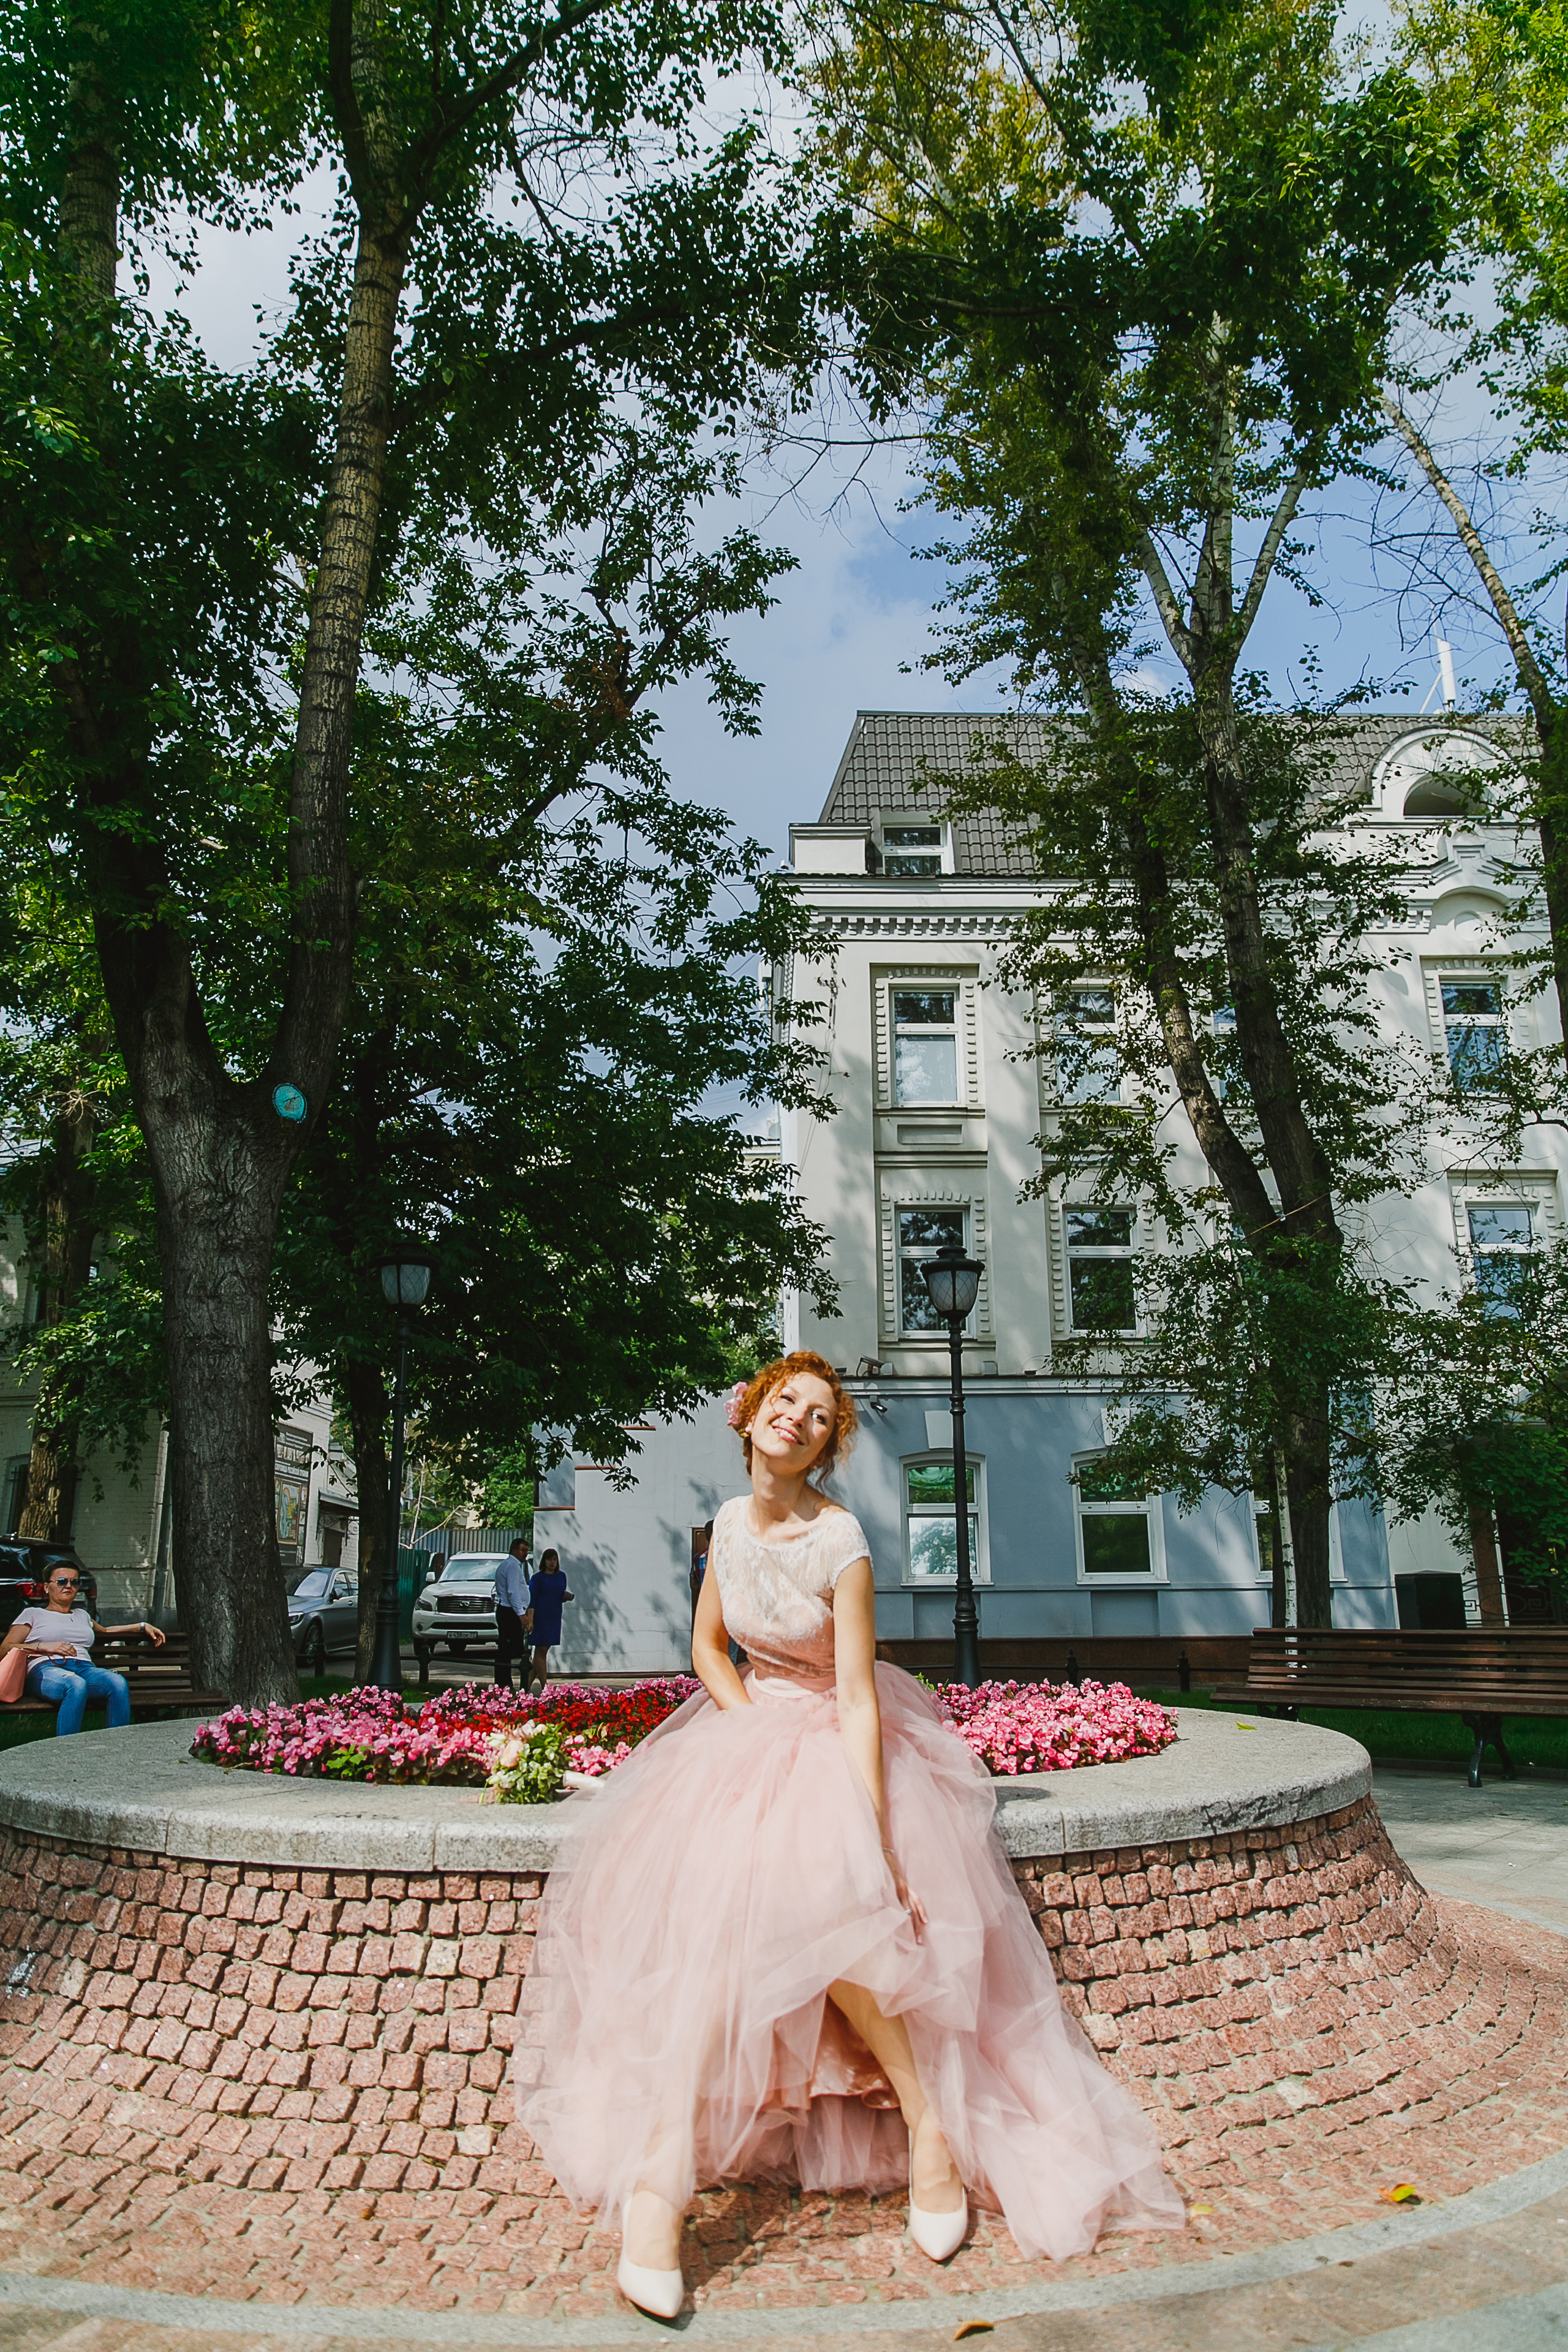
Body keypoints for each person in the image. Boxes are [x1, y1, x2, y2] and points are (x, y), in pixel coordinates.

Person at [516, 1350, 1182, 2320]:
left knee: (845, 1930)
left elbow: (863, 1694)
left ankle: (931, 2133)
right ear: (750, 1415)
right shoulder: (729, 1527)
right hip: (751, 1736)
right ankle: (659, 2187)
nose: (798, 1419)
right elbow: (708, 1647)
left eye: (820, 1416)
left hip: (842, 1741)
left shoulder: (844, 1540)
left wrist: (870, 1832)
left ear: (828, 1446)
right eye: (785, 1401)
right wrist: (745, 1728)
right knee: (713, 1937)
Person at [1, 1561, 166, 1735]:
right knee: (75, 1684)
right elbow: (6, 1648)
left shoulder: (82, 1615)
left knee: (117, 1683)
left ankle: (117, 1748)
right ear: (47, 1587)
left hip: (85, 1668)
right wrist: (44, 1646)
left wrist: (141, 1626)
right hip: (46, 1669)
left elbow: (106, 1631)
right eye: (62, 1581)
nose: (69, 1586)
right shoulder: (33, 1614)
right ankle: (68, 1752)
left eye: (75, 1582)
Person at [524, 1548, 572, 1694]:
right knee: (541, 1651)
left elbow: (558, 1595)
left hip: (554, 1616)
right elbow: (532, 1600)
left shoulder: (561, 1576)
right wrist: (530, 1620)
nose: (552, 1562)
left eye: (555, 1559)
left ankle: (525, 1688)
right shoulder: (537, 1578)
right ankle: (545, 1687)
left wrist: (566, 1597)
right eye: (549, 1559)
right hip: (540, 1617)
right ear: (544, 1561)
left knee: (541, 1652)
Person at [493, 1540, 529, 1691]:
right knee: (506, 1649)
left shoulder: (508, 1565)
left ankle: (504, 1683)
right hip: (509, 1612)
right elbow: (513, 1591)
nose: (525, 1553)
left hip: (507, 1610)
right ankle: (504, 1685)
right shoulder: (513, 1566)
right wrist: (521, 1614)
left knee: (507, 1649)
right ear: (514, 1550)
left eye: (527, 1550)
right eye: (523, 1550)